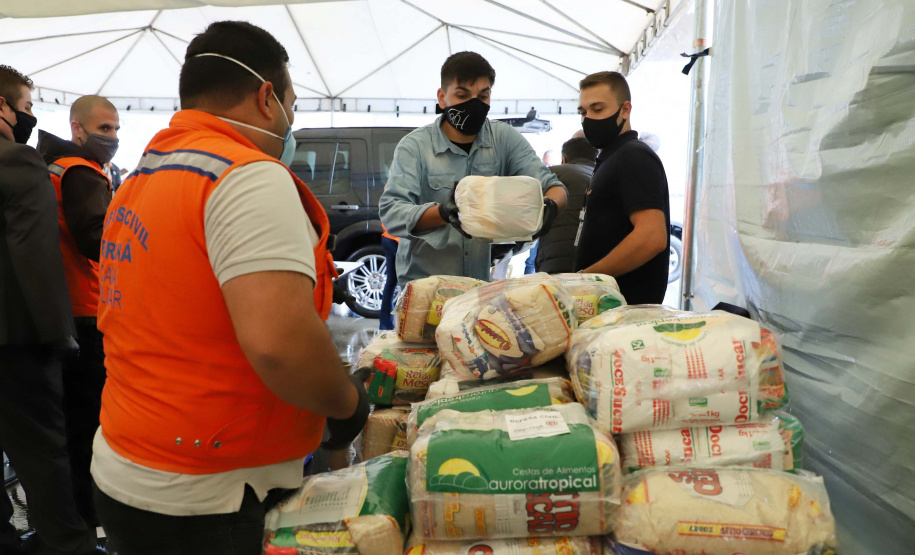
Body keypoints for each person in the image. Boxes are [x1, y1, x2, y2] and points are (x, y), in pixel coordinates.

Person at [90, 21, 369, 555]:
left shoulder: (146, 173)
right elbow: (279, 345)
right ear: (269, 98)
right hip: (211, 491)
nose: (292, 120)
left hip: (129, 460)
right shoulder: (246, 176)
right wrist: (344, 403)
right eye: (292, 103)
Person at [0, 66, 103, 555]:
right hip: (19, 337)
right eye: (24, 108)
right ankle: (67, 545)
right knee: (44, 454)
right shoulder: (18, 161)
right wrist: (61, 336)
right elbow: (35, 255)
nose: (30, 119)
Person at [380, 51, 568, 285]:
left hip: (479, 288)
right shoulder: (415, 147)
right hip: (426, 288)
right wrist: (442, 213)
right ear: (442, 97)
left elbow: (554, 187)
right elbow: (392, 213)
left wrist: (548, 208)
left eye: (483, 96)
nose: (474, 104)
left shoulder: (504, 139)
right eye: (462, 95)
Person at [37, 95, 117, 531]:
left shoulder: (49, 166)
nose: (114, 137)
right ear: (77, 129)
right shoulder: (82, 171)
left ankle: (70, 518)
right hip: (87, 308)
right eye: (104, 129)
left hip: (60, 305)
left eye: (116, 129)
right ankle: (89, 520)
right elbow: (95, 238)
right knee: (88, 422)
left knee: (66, 419)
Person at [575, 71, 670, 304]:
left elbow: (652, 237)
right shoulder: (611, 158)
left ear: (625, 110)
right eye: (583, 112)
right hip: (608, 311)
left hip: (625, 314)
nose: (588, 119)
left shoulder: (633, 156)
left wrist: (586, 279)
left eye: (598, 110)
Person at [535, 137, 598, 274]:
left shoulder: (551, 175)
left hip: (553, 260)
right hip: (595, 265)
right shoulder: (603, 176)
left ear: (564, 159)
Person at [379, 224, 399, 330]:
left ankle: (385, 325)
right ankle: (406, 326)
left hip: (388, 237)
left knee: (391, 283)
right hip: (399, 241)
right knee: (408, 284)